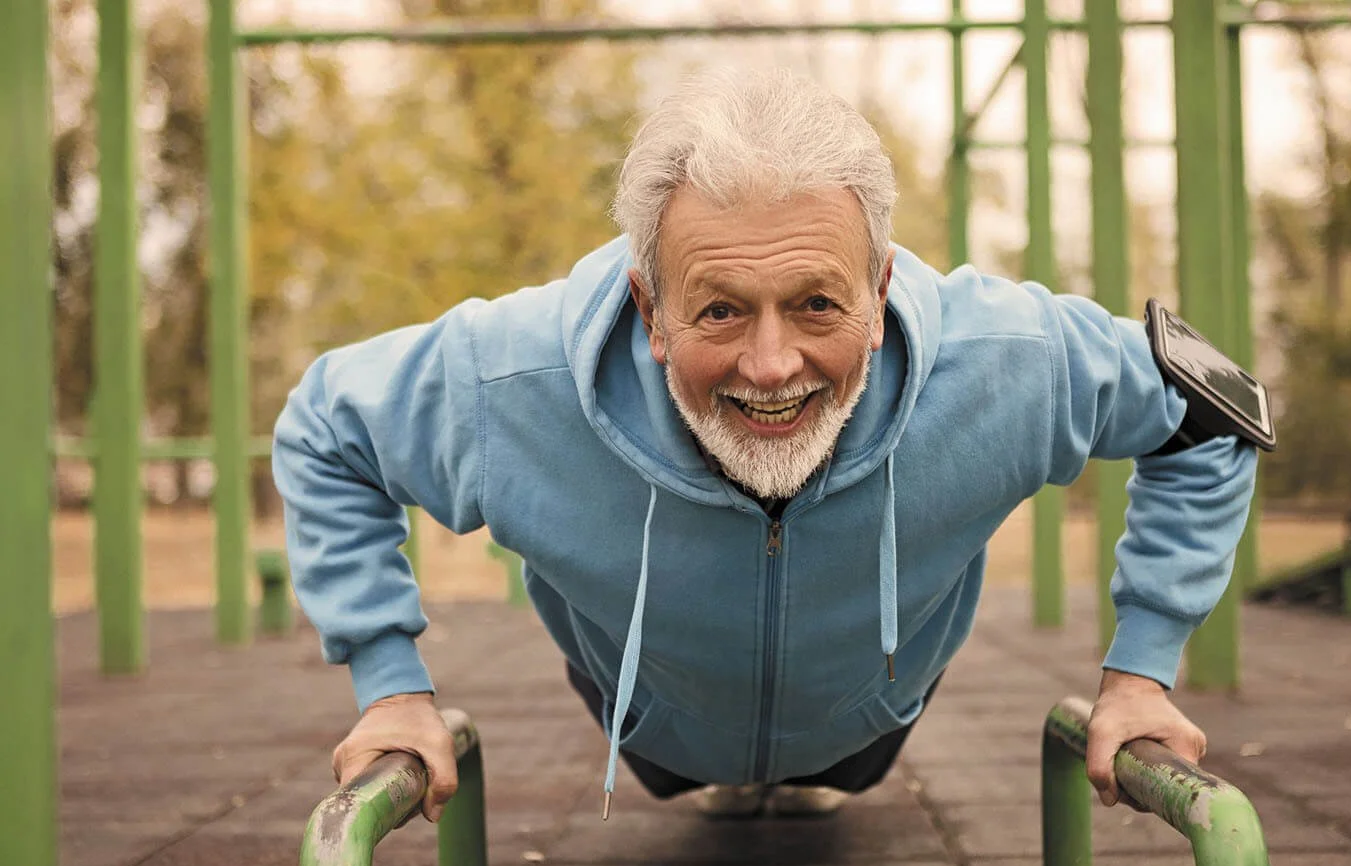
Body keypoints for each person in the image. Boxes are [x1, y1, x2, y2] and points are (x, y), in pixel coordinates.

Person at [272, 69, 1255, 825]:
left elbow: (1212, 413)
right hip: (656, 732)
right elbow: (325, 426)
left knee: (848, 761)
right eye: (721, 310)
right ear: (650, 311)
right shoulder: (512, 382)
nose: (773, 363)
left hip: (867, 728)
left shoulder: (1013, 362)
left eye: (817, 303)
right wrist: (390, 685)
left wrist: (1142, 671)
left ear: (879, 294)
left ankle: (817, 765)